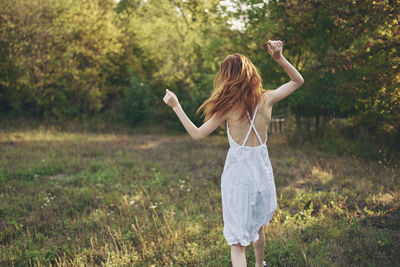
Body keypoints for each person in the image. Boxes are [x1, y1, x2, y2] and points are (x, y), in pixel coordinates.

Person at [163, 40, 304, 267]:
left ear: (228, 78)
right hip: (262, 172)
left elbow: (197, 134)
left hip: (239, 176)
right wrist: (279, 58)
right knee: (258, 227)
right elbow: (298, 81)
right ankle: (259, 265)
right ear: (250, 75)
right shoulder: (266, 100)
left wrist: (176, 105)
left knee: (237, 243)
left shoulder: (227, 107)